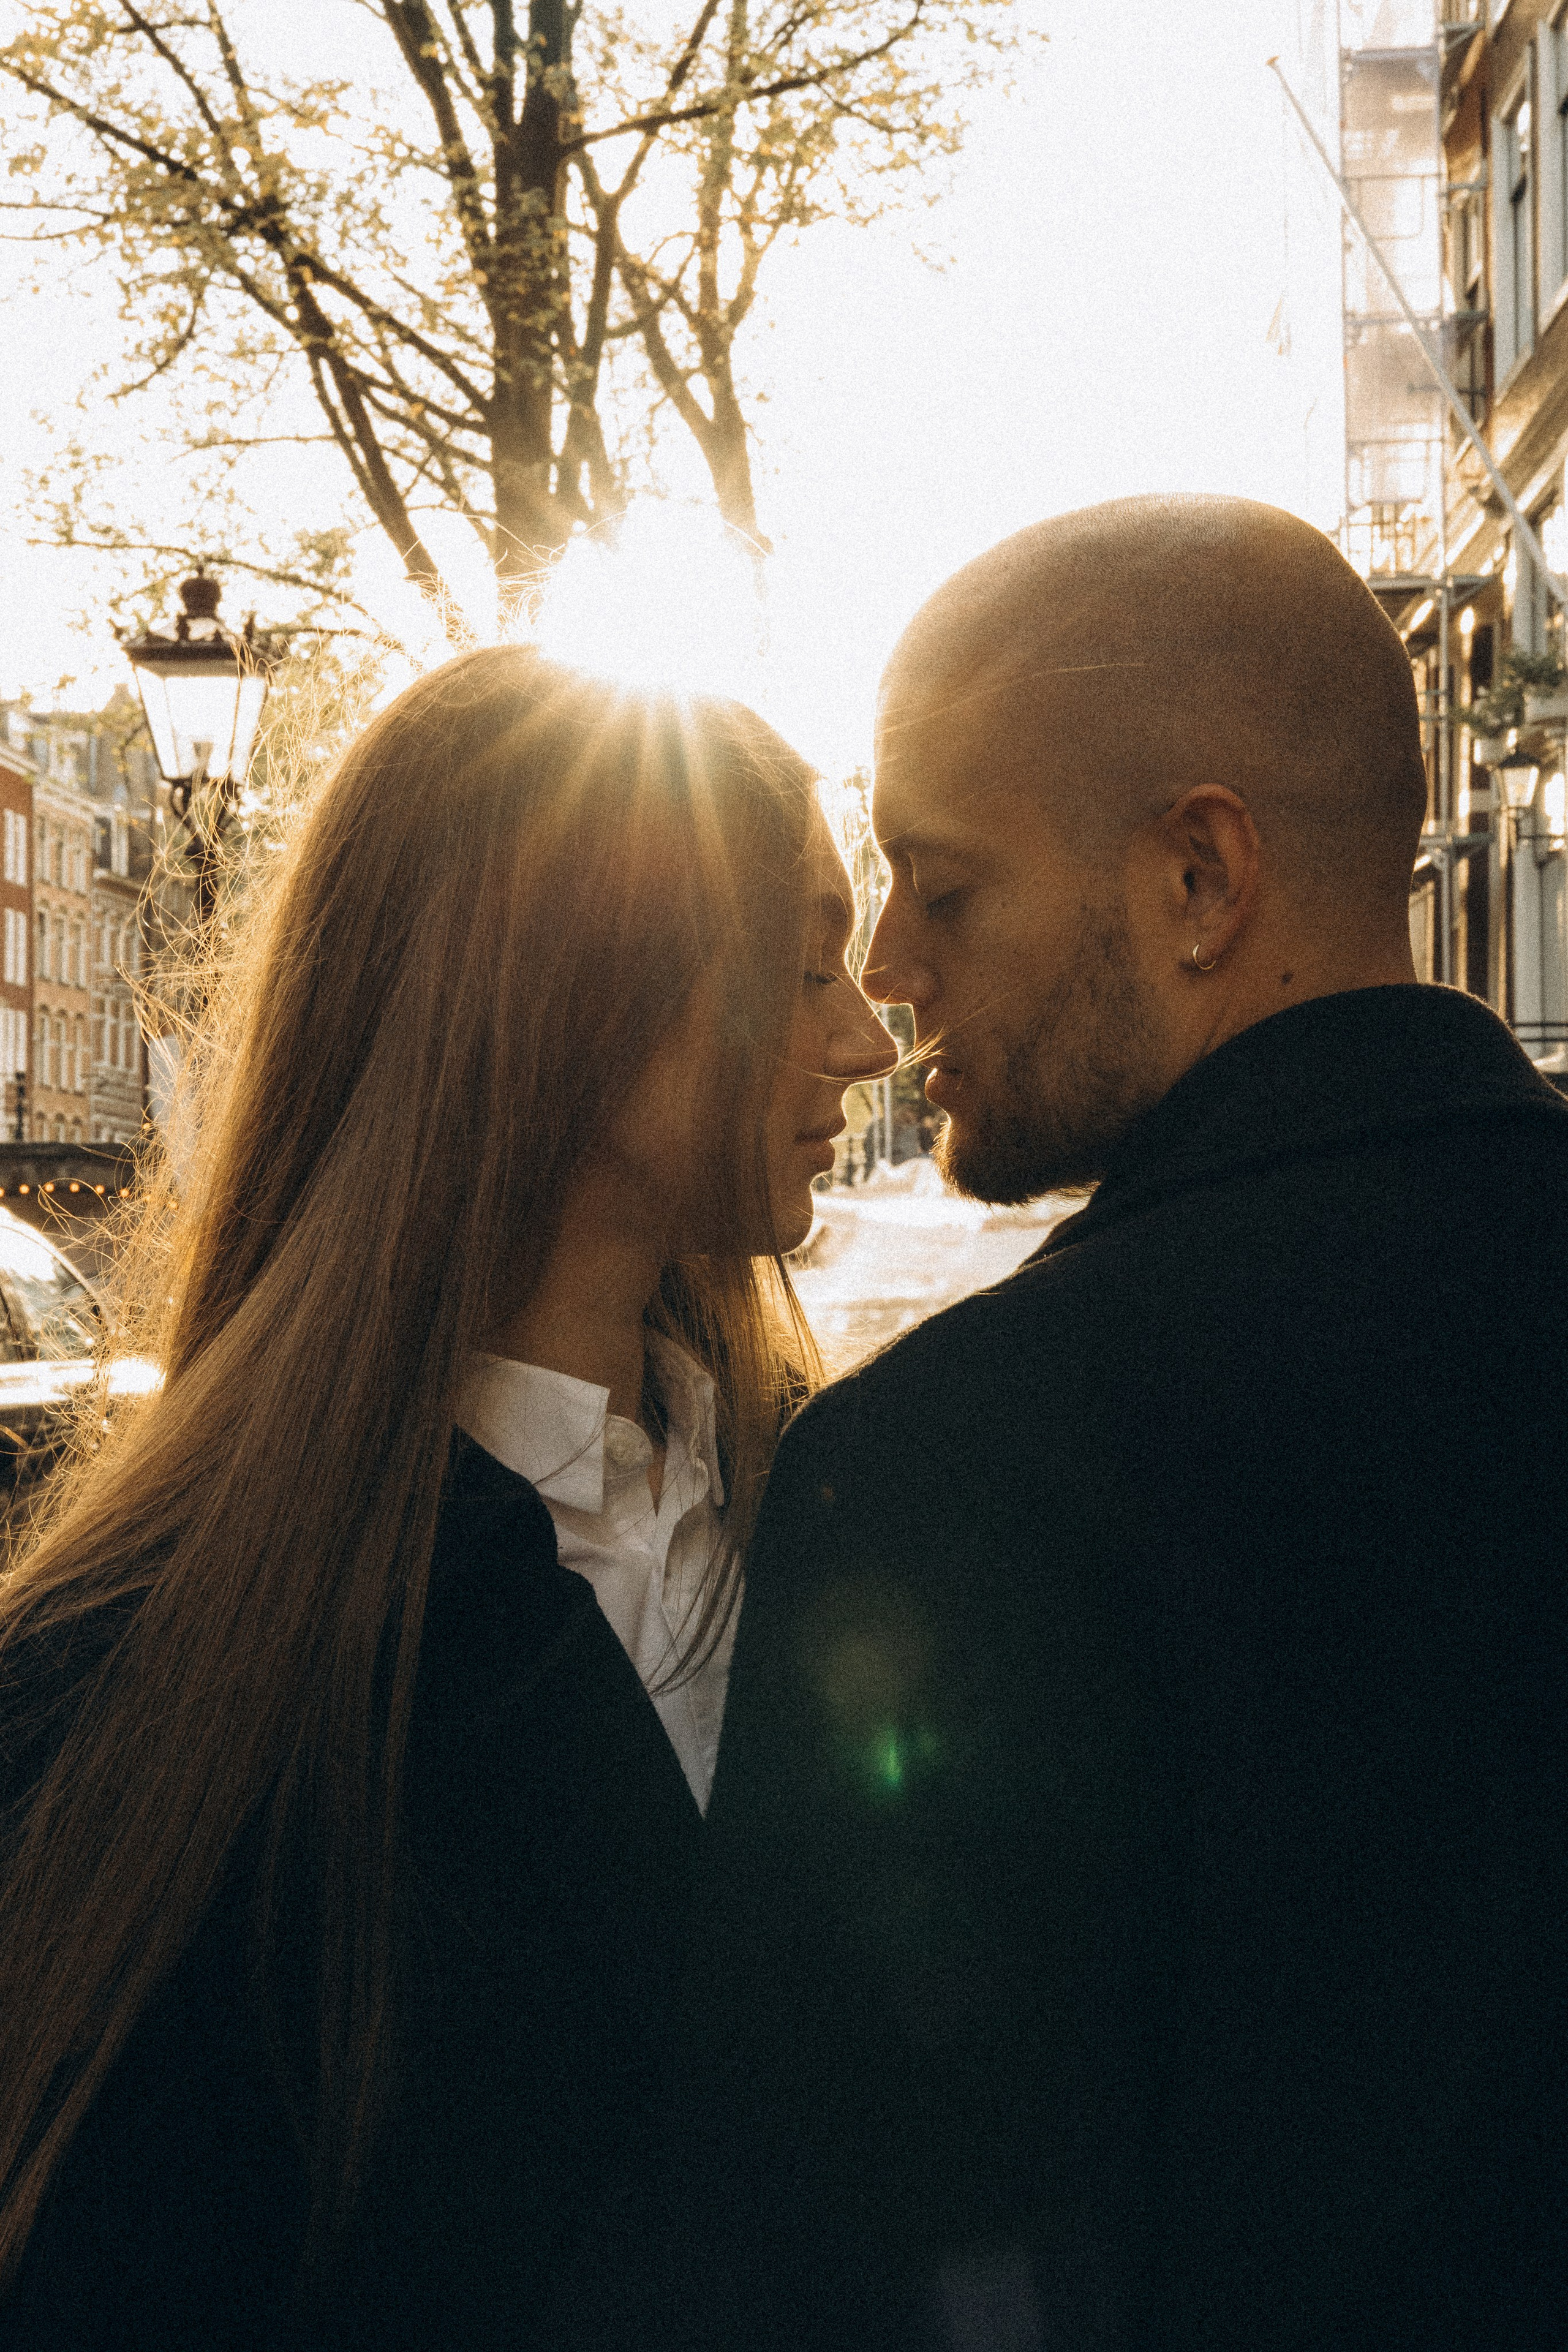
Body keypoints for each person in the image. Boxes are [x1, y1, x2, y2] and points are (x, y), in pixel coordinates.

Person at [684, 497, 1568, 2350]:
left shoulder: (956, 1471)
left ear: (1199, 878)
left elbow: (894, 2261)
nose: (890, 973)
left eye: (942, 886)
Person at [0, 646, 894, 2349]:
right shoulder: (145, 1677)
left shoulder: (847, 1517)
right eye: (800, 969)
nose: (864, 1037)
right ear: (572, 1005)